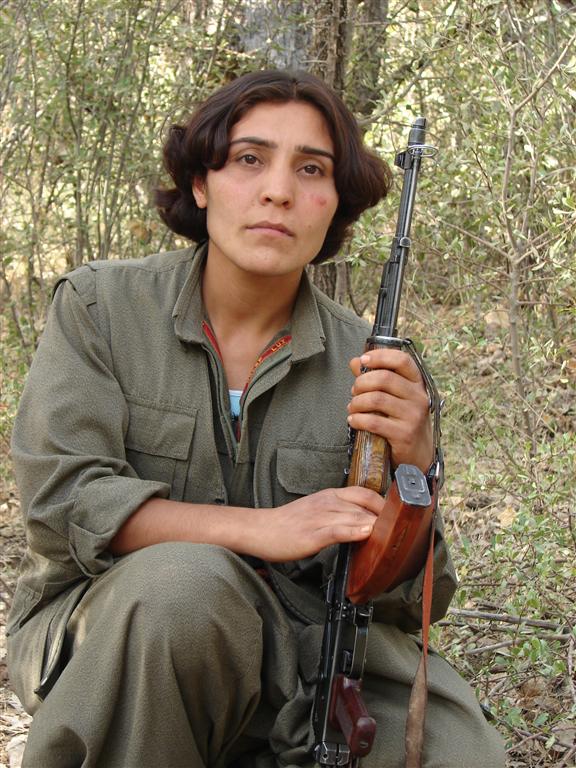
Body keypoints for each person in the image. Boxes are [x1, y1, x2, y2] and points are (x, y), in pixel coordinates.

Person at [7, 70, 505, 768]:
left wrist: (416, 468)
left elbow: (416, 596)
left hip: (311, 652)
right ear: (201, 183)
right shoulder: (100, 308)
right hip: (115, 635)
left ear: (335, 204)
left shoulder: (374, 365)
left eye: (311, 169)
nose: (278, 191)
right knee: (182, 593)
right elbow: (66, 502)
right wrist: (264, 529)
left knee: (461, 754)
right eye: (249, 159)